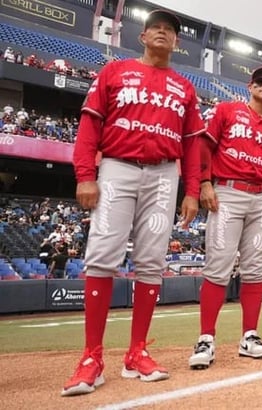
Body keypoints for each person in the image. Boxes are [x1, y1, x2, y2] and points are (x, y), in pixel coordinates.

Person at [62, 10, 205, 396]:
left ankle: (136, 352)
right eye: (157, 27)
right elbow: (90, 125)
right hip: (117, 167)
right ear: (142, 36)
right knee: (103, 254)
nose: (164, 32)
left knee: (152, 260)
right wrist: (85, 176)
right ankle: (92, 357)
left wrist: (191, 190)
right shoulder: (115, 71)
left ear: (176, 43)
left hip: (163, 175)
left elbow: (192, 145)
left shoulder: (184, 87)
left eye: (170, 30)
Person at [188, 65, 262, 370]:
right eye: (260, 80)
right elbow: (204, 148)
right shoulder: (227, 110)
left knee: (256, 268)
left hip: (261, 198)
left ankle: (250, 336)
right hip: (228, 192)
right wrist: (204, 184)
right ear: (250, 85)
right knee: (218, 266)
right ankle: (206, 338)